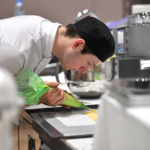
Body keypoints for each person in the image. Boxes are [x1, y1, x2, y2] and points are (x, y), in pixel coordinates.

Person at [0, 15, 115, 107]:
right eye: (89, 63)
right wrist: (38, 98)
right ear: (78, 44)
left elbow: (10, 81)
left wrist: (37, 90)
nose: (84, 71)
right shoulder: (15, 50)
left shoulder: (49, 39)